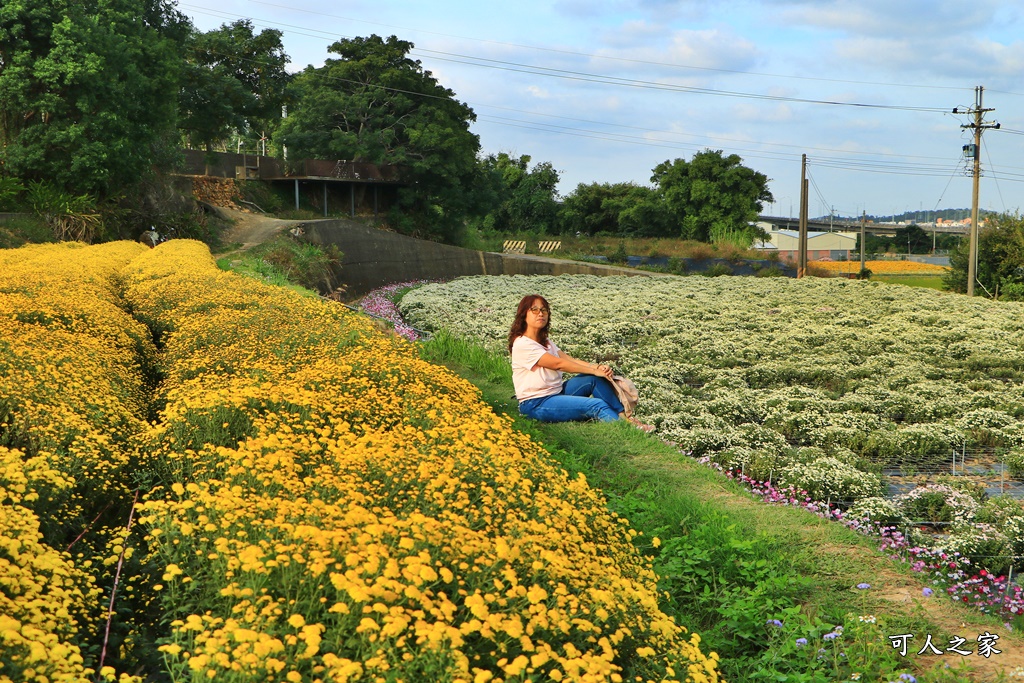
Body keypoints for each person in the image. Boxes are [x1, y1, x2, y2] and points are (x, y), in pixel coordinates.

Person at [508, 294, 654, 431]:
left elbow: (568, 359)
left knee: (595, 379)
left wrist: (597, 368)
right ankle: (628, 431)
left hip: (556, 392)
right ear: (524, 315)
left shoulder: (545, 342)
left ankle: (624, 417)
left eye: (544, 310)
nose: (540, 313)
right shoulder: (523, 344)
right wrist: (593, 369)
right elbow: (559, 364)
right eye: (534, 310)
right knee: (597, 405)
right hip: (536, 403)